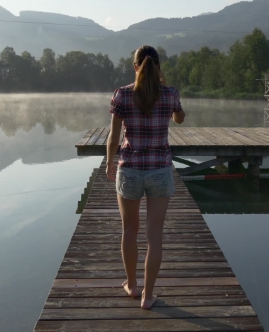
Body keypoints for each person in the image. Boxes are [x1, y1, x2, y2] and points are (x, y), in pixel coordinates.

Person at [106, 45, 186, 309]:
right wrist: (176, 108)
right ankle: (147, 296)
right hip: (160, 170)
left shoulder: (122, 95)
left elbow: (114, 137)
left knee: (129, 230)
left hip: (129, 168)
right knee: (155, 235)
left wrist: (109, 164)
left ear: (135, 66)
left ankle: (131, 285)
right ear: (159, 67)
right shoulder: (170, 94)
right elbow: (179, 119)